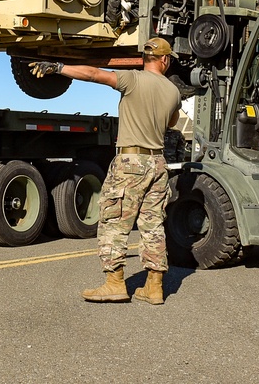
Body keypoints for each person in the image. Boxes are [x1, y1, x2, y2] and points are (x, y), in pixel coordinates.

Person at [29, 37, 182, 305]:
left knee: (114, 221)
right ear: (165, 60)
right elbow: (172, 121)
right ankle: (154, 286)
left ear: (144, 58)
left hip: (130, 162)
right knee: (153, 225)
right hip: (157, 163)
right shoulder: (173, 91)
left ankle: (114, 284)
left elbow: (94, 74)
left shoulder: (133, 79)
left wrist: (58, 67)